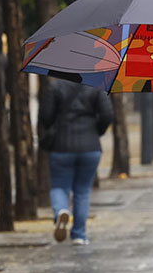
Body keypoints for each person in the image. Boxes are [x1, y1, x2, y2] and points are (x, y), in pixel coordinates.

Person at [38, 79, 113, 245]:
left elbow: (45, 116)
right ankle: (79, 234)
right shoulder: (96, 85)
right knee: (83, 191)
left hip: (61, 145)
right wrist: (96, 131)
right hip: (90, 147)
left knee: (59, 186)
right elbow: (107, 114)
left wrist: (58, 126)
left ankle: (61, 211)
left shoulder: (55, 86)